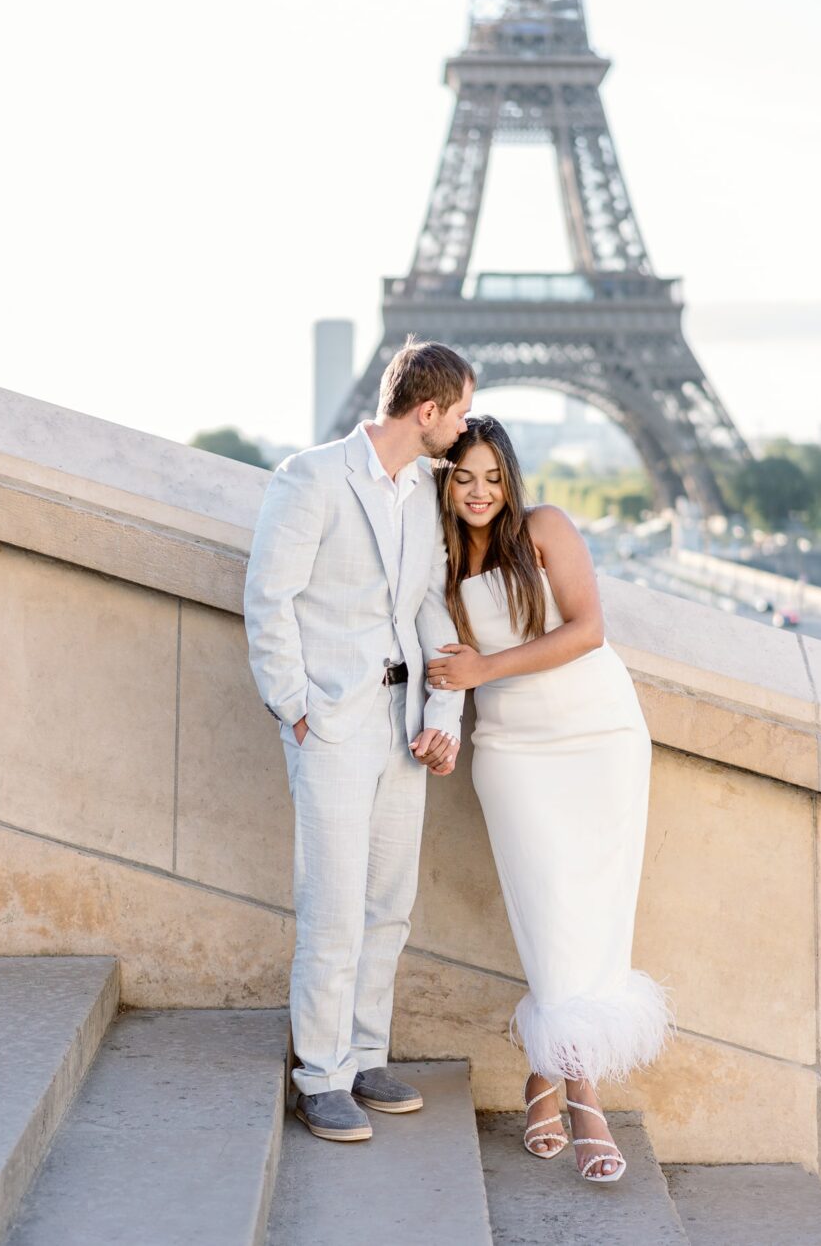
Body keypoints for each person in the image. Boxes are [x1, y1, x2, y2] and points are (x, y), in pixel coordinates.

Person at [427, 415, 672, 1184]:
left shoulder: (543, 528)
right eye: (463, 476)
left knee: (596, 919)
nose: (479, 492)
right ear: (444, 480)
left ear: (512, 479)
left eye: (493, 477)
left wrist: (484, 669)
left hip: (600, 736)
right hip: (514, 754)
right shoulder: (432, 561)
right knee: (549, 914)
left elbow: (589, 630)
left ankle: (555, 1080)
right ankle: (584, 1099)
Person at [244, 338, 475, 1142]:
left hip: (403, 726)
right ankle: (320, 1074)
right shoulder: (310, 478)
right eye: (462, 413)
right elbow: (268, 600)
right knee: (334, 907)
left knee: (388, 906)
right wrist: (296, 710)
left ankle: (365, 1054)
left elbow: (431, 613)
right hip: (335, 725)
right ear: (428, 411)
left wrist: (443, 720)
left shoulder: (422, 490)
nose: (465, 429)